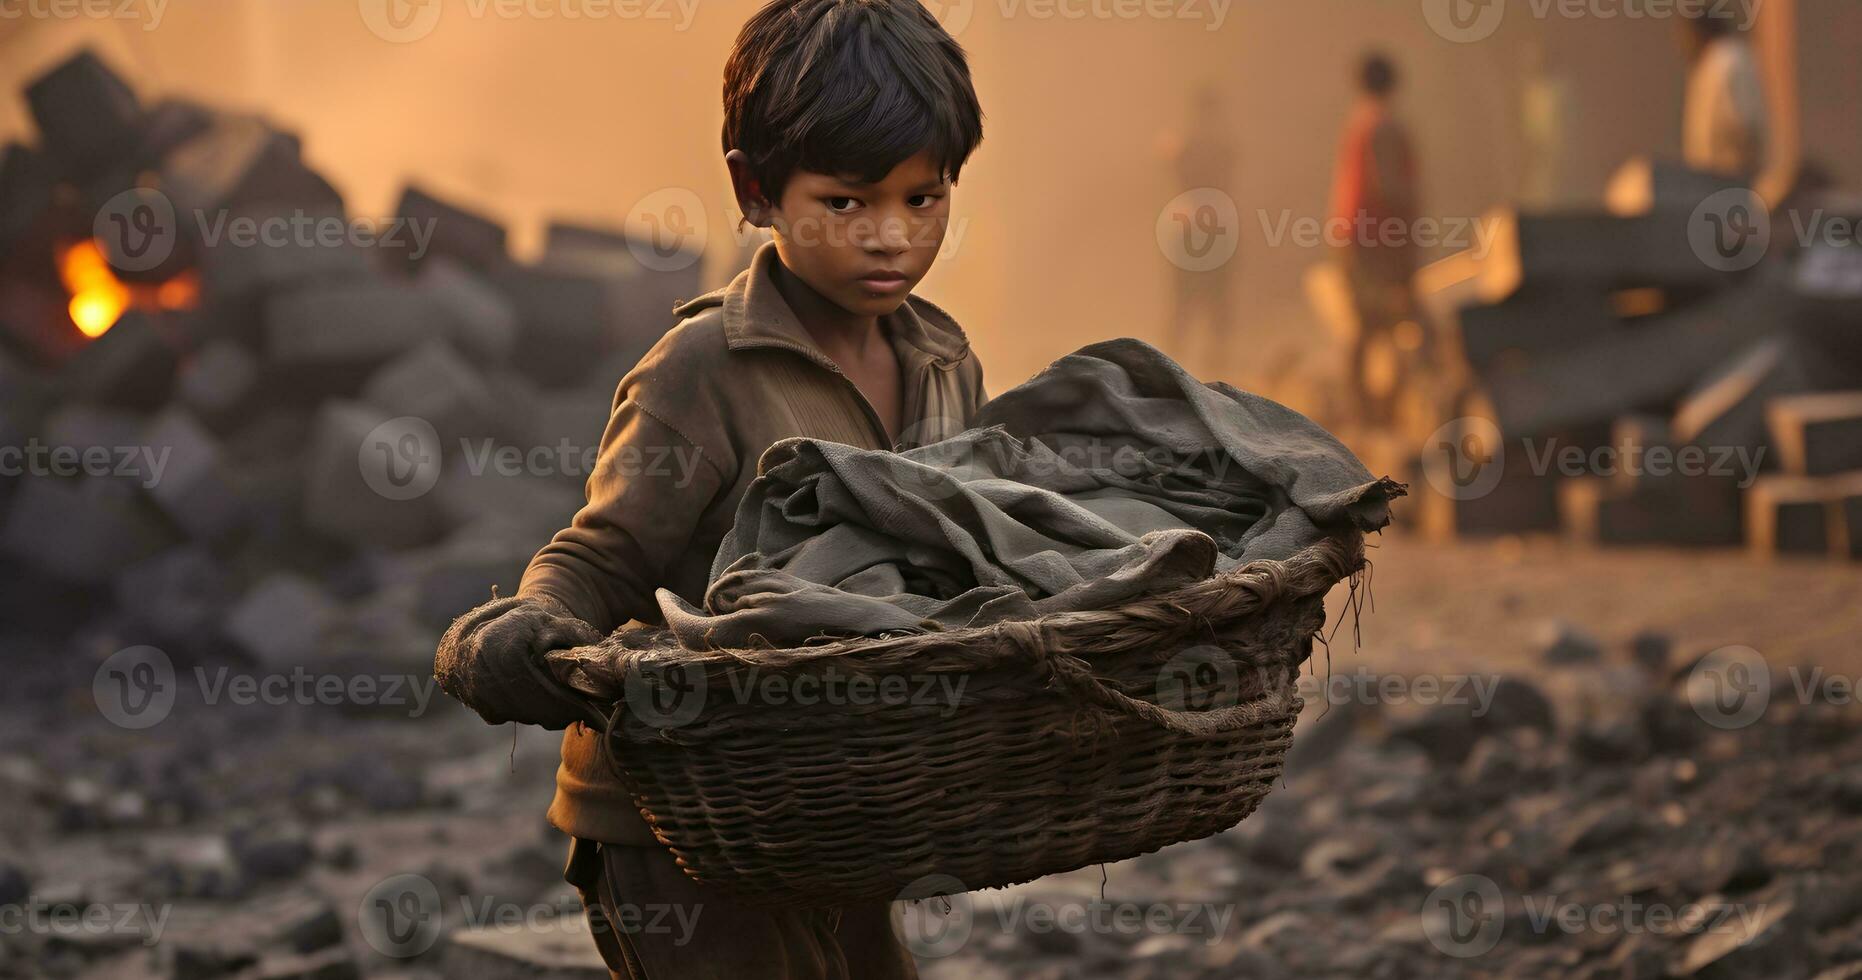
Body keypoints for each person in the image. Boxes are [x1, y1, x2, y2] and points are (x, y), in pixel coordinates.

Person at [439, 0, 989, 974]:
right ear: (754, 189)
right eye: (846, 201)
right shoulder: (704, 371)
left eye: (923, 198)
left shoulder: (943, 361)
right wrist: (531, 620)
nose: (891, 237)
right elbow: (600, 554)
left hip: (842, 797)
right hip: (679, 818)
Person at [1327, 51, 1418, 425]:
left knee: (1366, 324)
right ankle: (1378, 413)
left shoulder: (1359, 124)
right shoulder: (1385, 128)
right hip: (1379, 237)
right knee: (1393, 320)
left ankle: (1364, 411)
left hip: (1354, 234)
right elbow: (1390, 188)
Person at [1678, 10, 1768, 180]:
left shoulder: (1728, 59)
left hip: (1728, 171)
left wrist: (1731, 157)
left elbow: (1745, 118)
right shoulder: (1710, 61)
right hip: (1712, 172)